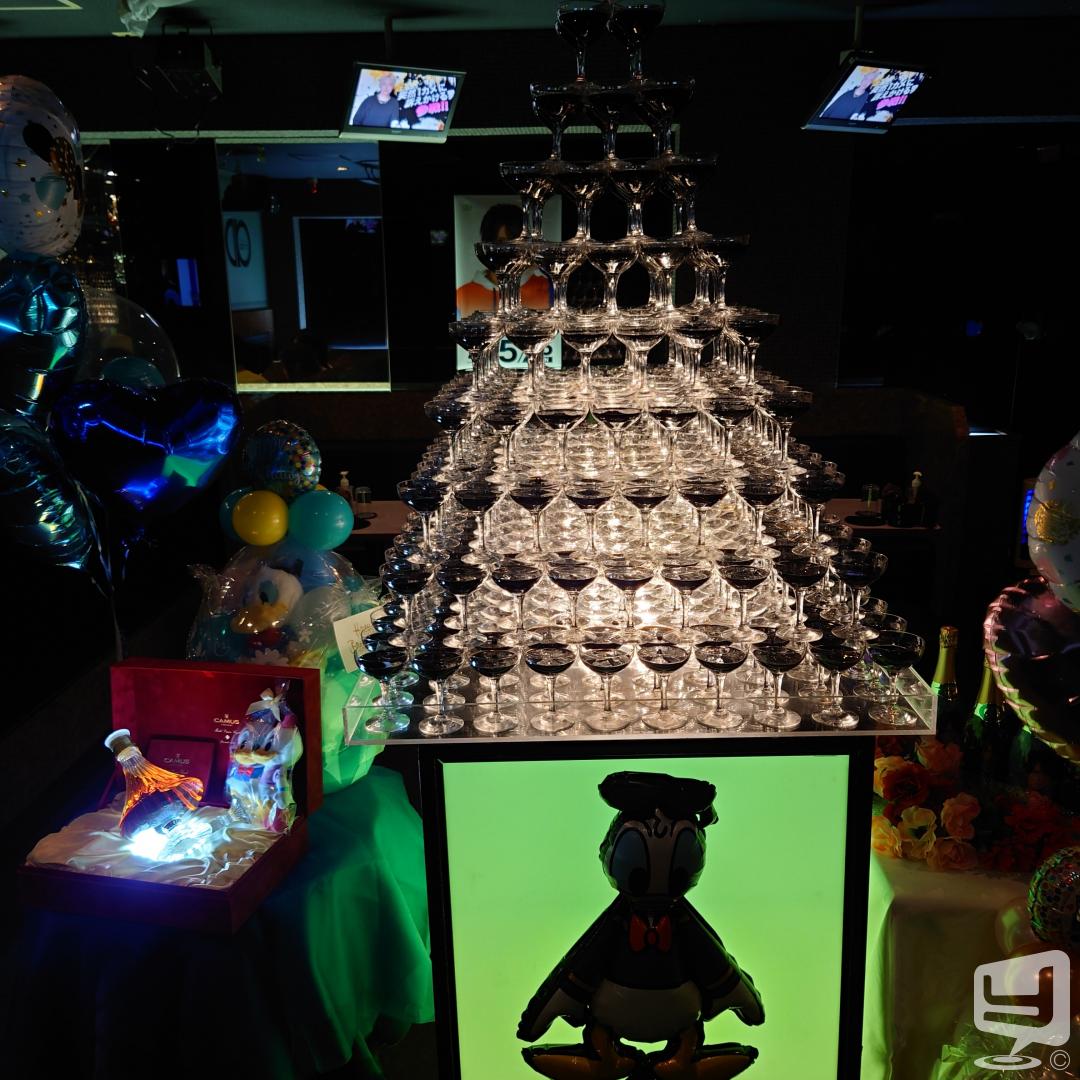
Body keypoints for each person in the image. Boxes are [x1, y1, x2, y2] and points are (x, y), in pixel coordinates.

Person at [455, 203, 551, 317]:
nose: (512, 250)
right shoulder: (462, 295)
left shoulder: (549, 287)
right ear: (488, 245)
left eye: (518, 243)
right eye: (503, 243)